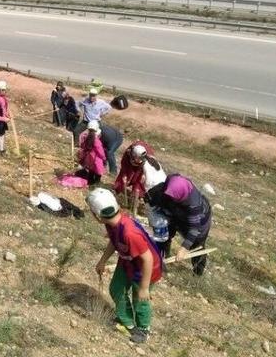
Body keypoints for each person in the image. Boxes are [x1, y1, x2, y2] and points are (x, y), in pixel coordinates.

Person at [87, 187, 162, 344]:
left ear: (97, 216)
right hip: (127, 261)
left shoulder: (129, 233)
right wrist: (102, 261)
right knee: (116, 289)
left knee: (139, 299)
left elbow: (147, 259)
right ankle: (127, 321)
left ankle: (143, 329)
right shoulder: (112, 223)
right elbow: (114, 242)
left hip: (144, 269)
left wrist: (144, 287)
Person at [146, 174, 212, 275]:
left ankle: (197, 272)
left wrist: (184, 248)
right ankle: (162, 260)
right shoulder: (171, 182)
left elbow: (194, 229)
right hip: (178, 212)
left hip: (200, 222)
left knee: (197, 244)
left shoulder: (194, 205)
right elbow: (151, 197)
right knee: (165, 234)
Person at [76, 120, 107, 185]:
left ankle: (89, 183)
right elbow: (100, 151)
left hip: (89, 157)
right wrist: (104, 158)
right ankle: (96, 184)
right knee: (98, 172)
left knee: (91, 171)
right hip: (96, 159)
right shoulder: (96, 141)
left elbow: (82, 146)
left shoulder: (86, 137)